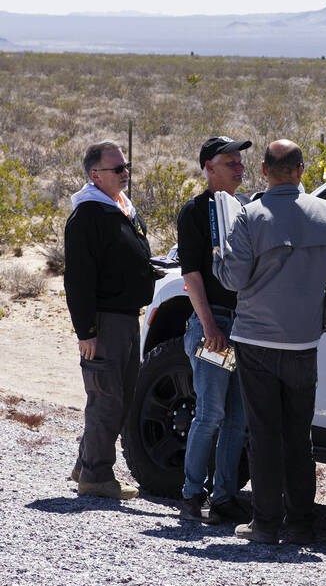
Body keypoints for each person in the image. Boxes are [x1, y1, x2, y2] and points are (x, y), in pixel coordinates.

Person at [214, 139, 326, 544]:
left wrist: (220, 256)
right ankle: (301, 524)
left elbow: (234, 279)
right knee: (297, 435)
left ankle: (266, 522)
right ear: (301, 170)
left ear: (263, 170)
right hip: (303, 342)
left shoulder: (251, 216)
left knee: (263, 433)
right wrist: (324, 320)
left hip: (256, 341)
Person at [64, 140, 157, 500]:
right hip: (104, 322)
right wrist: (86, 331)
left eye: (126, 166)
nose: (125, 173)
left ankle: (86, 462)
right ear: (95, 174)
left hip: (127, 318)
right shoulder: (87, 215)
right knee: (107, 397)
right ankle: (97, 477)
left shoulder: (121, 208)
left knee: (122, 394)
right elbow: (78, 280)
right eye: (117, 169)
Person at [175, 136, 253, 524]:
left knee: (237, 418)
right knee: (211, 413)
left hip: (243, 326)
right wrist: (209, 325)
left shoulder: (245, 209)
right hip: (215, 324)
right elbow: (191, 273)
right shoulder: (194, 212)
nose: (239, 166)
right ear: (208, 167)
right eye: (229, 161)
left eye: (240, 160)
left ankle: (224, 497)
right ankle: (191, 495)